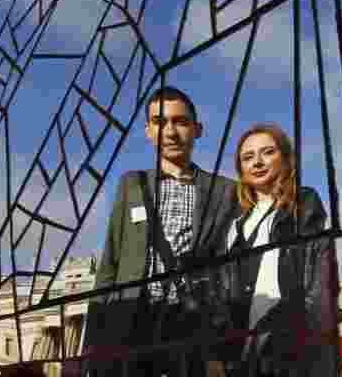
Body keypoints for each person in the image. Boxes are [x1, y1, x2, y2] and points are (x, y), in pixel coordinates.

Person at [84, 86, 240, 376]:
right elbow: (110, 263)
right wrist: (91, 346)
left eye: (180, 121)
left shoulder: (225, 190)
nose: (170, 131)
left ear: (197, 129)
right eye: (159, 122)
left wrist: (222, 348)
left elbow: (230, 271)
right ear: (148, 131)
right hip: (132, 322)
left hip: (193, 325)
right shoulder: (131, 184)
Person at [209, 123, 335, 377]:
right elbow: (221, 289)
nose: (257, 162)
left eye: (267, 152)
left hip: (288, 345)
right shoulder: (232, 221)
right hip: (241, 349)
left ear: (285, 159)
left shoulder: (304, 205)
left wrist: (313, 342)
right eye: (248, 157)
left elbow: (318, 282)